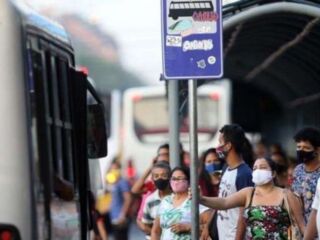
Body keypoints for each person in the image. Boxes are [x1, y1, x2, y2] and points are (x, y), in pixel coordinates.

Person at [198, 157, 305, 239]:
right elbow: (224, 202)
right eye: (255, 168)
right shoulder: (249, 193)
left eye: (263, 167)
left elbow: (302, 227)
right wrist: (201, 199)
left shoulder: (286, 195)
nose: (258, 171)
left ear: (273, 173)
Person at [209, 124, 254, 240]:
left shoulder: (244, 174)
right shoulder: (225, 168)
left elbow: (243, 213)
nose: (217, 146)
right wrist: (208, 227)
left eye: (220, 142)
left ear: (228, 146)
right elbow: (221, 199)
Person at [151, 166, 211, 240]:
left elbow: (211, 226)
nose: (176, 182)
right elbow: (156, 231)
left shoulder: (195, 200)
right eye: (173, 179)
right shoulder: (166, 201)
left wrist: (189, 227)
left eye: (180, 178)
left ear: (189, 181)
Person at [291, 127, 320, 223]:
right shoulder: (298, 170)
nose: (301, 151)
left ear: (317, 150)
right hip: (301, 225)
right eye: (299, 147)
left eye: (306, 148)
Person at [140, 162, 172, 239]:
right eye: (156, 176)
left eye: (164, 175)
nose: (160, 179)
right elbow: (146, 224)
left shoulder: (177, 198)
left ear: (170, 177)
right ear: (152, 179)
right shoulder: (150, 200)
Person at [106, 160, 132, 240]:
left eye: (116, 169)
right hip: (113, 217)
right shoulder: (111, 183)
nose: (113, 171)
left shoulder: (122, 182)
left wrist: (122, 215)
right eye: (112, 169)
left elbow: (128, 199)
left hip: (120, 219)